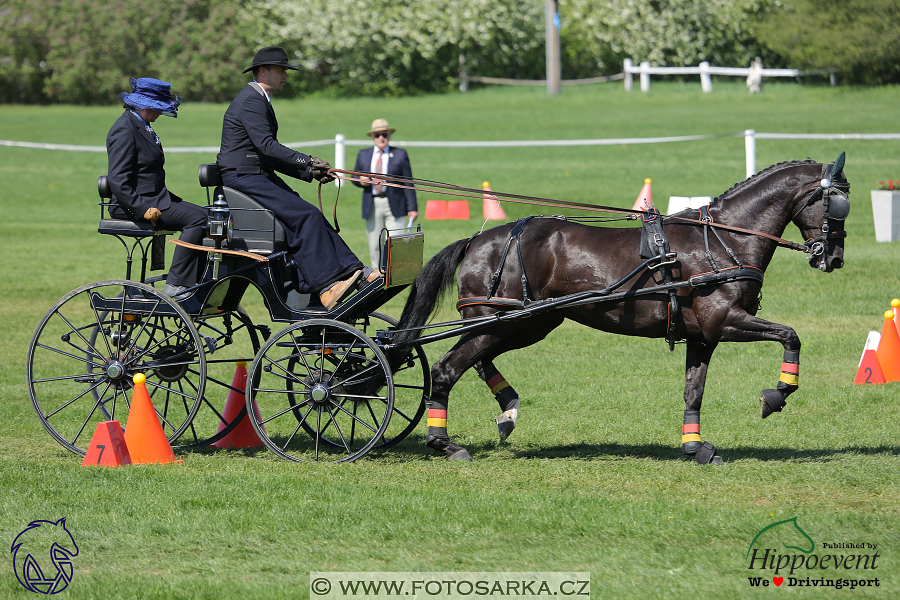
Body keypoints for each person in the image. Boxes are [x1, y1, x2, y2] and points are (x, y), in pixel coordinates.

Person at [217, 46, 377, 310]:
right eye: (281, 70)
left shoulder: (257, 99)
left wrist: (309, 172)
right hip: (242, 177)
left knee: (309, 213)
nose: (286, 76)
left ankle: (354, 271)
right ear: (263, 71)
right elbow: (267, 147)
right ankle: (327, 286)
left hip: (255, 174)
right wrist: (308, 161)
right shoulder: (251, 101)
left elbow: (266, 154)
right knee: (307, 215)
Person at [106, 77, 209, 297]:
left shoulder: (141, 125)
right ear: (144, 105)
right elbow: (117, 179)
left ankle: (196, 283)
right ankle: (177, 285)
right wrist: (141, 208)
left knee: (207, 216)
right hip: (132, 204)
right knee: (196, 219)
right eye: (159, 107)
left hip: (153, 197)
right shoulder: (124, 129)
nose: (161, 113)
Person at [352, 118, 418, 267]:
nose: (381, 137)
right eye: (377, 135)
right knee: (375, 244)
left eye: (384, 134)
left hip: (394, 203)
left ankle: (393, 275)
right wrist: (360, 181)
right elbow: (353, 177)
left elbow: (408, 181)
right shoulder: (363, 154)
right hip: (372, 203)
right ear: (373, 137)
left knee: (394, 243)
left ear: (389, 135)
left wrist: (412, 207)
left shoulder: (400, 154)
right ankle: (377, 276)